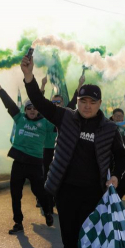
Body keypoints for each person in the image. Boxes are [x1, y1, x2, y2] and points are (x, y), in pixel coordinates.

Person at [21, 55, 125, 248]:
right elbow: (40, 102)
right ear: (77, 101)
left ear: (99, 104)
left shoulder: (109, 128)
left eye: (92, 102)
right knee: (68, 236)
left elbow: (122, 156)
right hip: (65, 190)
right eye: (83, 101)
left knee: (87, 235)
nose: (87, 106)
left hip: (93, 193)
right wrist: (28, 76)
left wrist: (115, 176)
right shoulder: (65, 117)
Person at [0, 76, 54, 234]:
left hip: (35, 164)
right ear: (25, 110)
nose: (32, 110)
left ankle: (47, 211)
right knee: (15, 194)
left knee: (39, 192)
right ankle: (18, 222)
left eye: (35, 108)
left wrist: (43, 88)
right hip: (18, 163)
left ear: (38, 109)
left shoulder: (46, 123)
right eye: (29, 108)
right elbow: (8, 103)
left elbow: (40, 100)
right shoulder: (19, 118)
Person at [39, 75, 80, 212]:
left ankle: (60, 200)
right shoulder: (46, 114)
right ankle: (47, 203)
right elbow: (38, 101)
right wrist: (43, 85)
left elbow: (75, 100)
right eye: (54, 101)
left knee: (63, 176)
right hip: (48, 150)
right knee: (46, 176)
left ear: (63, 103)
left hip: (63, 151)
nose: (56, 103)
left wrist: (80, 83)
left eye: (59, 101)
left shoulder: (66, 114)